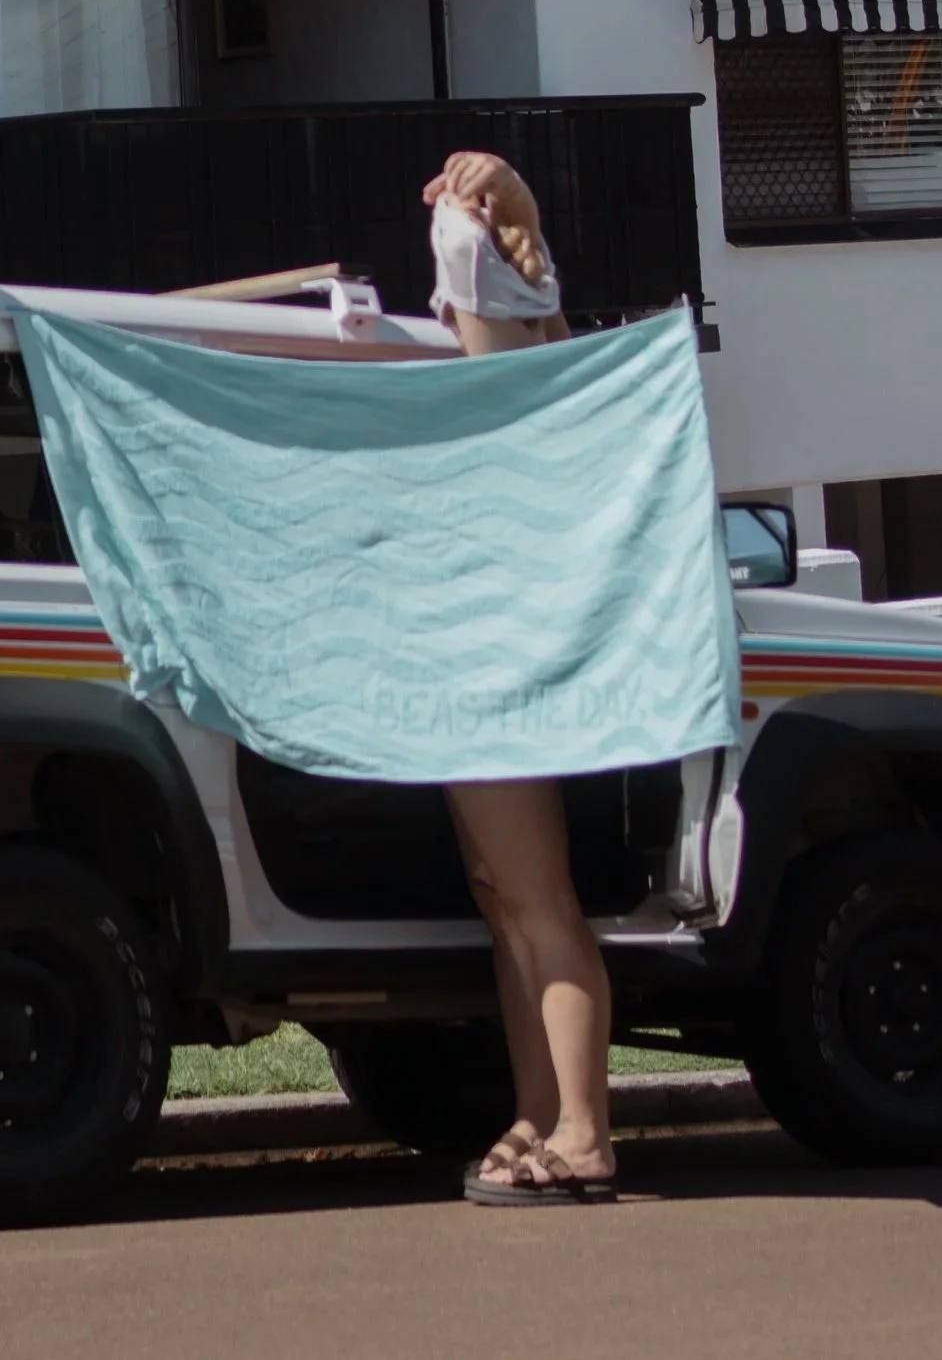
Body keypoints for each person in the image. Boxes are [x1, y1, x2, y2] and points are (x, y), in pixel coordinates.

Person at [421, 150, 617, 1207]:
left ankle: (582, 1132)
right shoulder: (529, 358)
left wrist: (486, 220)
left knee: (534, 900)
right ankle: (539, 1115)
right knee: (509, 902)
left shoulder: (507, 375)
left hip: (503, 666)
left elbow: (495, 303)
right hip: (482, 662)